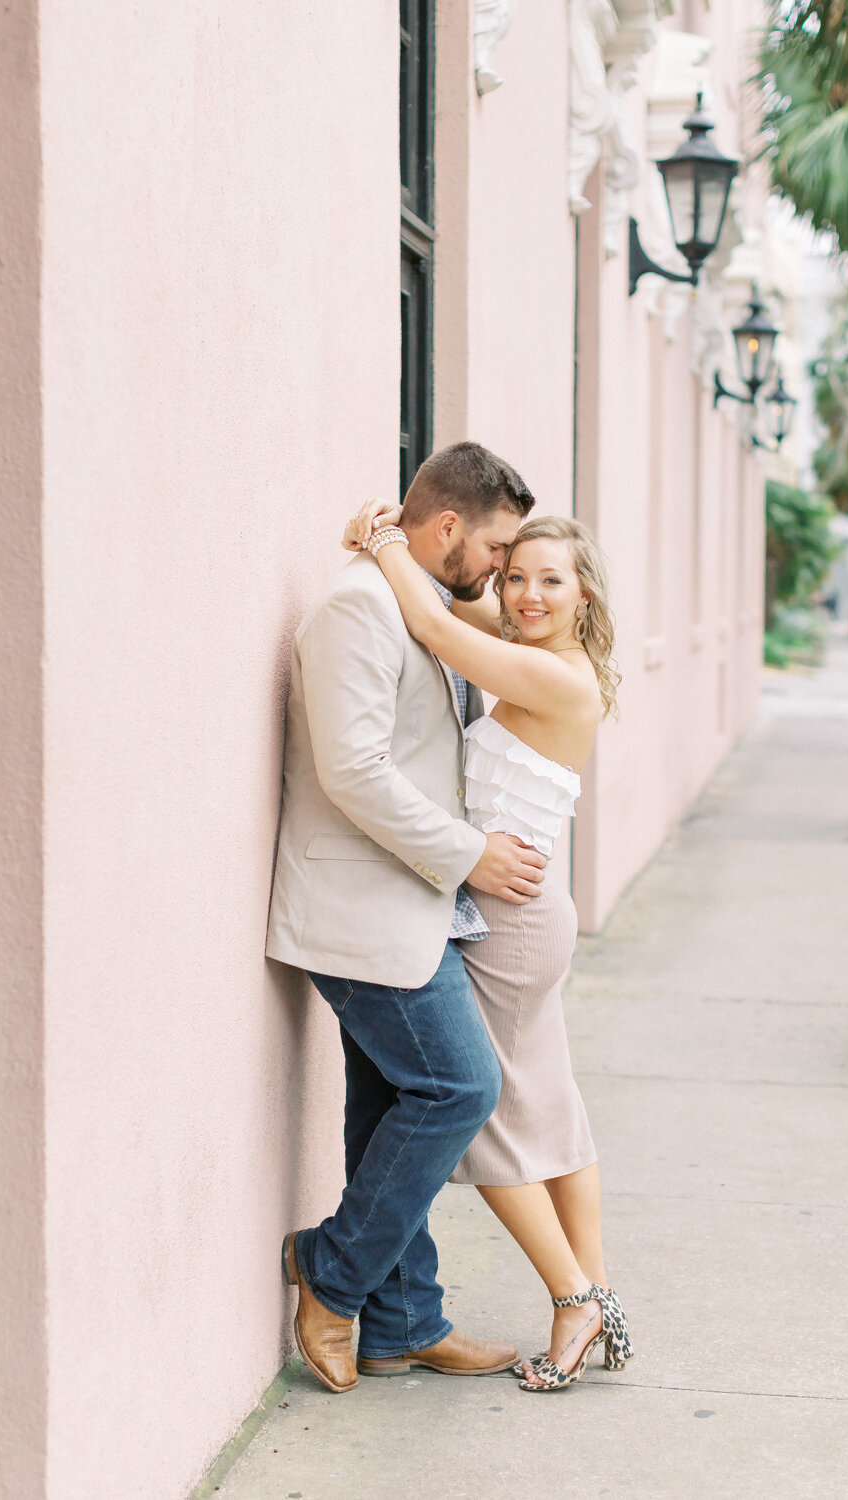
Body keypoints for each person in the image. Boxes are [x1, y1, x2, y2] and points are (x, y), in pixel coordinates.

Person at [266, 442, 542, 1394]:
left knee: (391, 1102)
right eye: (498, 547)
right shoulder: (357, 609)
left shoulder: (420, 601)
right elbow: (353, 772)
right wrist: (473, 854)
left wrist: (386, 537)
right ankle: (331, 1273)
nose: (502, 571)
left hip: (410, 906)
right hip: (357, 905)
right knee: (459, 1091)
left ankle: (403, 1321)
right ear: (450, 527)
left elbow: (465, 630)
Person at [344, 499, 633, 1392]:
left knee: (491, 1121)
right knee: (550, 1103)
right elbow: (456, 605)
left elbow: (433, 619)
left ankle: (575, 1296)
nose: (528, 593)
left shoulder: (557, 676)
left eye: (552, 579)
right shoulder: (540, 651)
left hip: (509, 918)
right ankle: (597, 1297)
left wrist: (385, 544)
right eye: (517, 576)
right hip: (530, 909)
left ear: (586, 593)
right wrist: (418, 553)